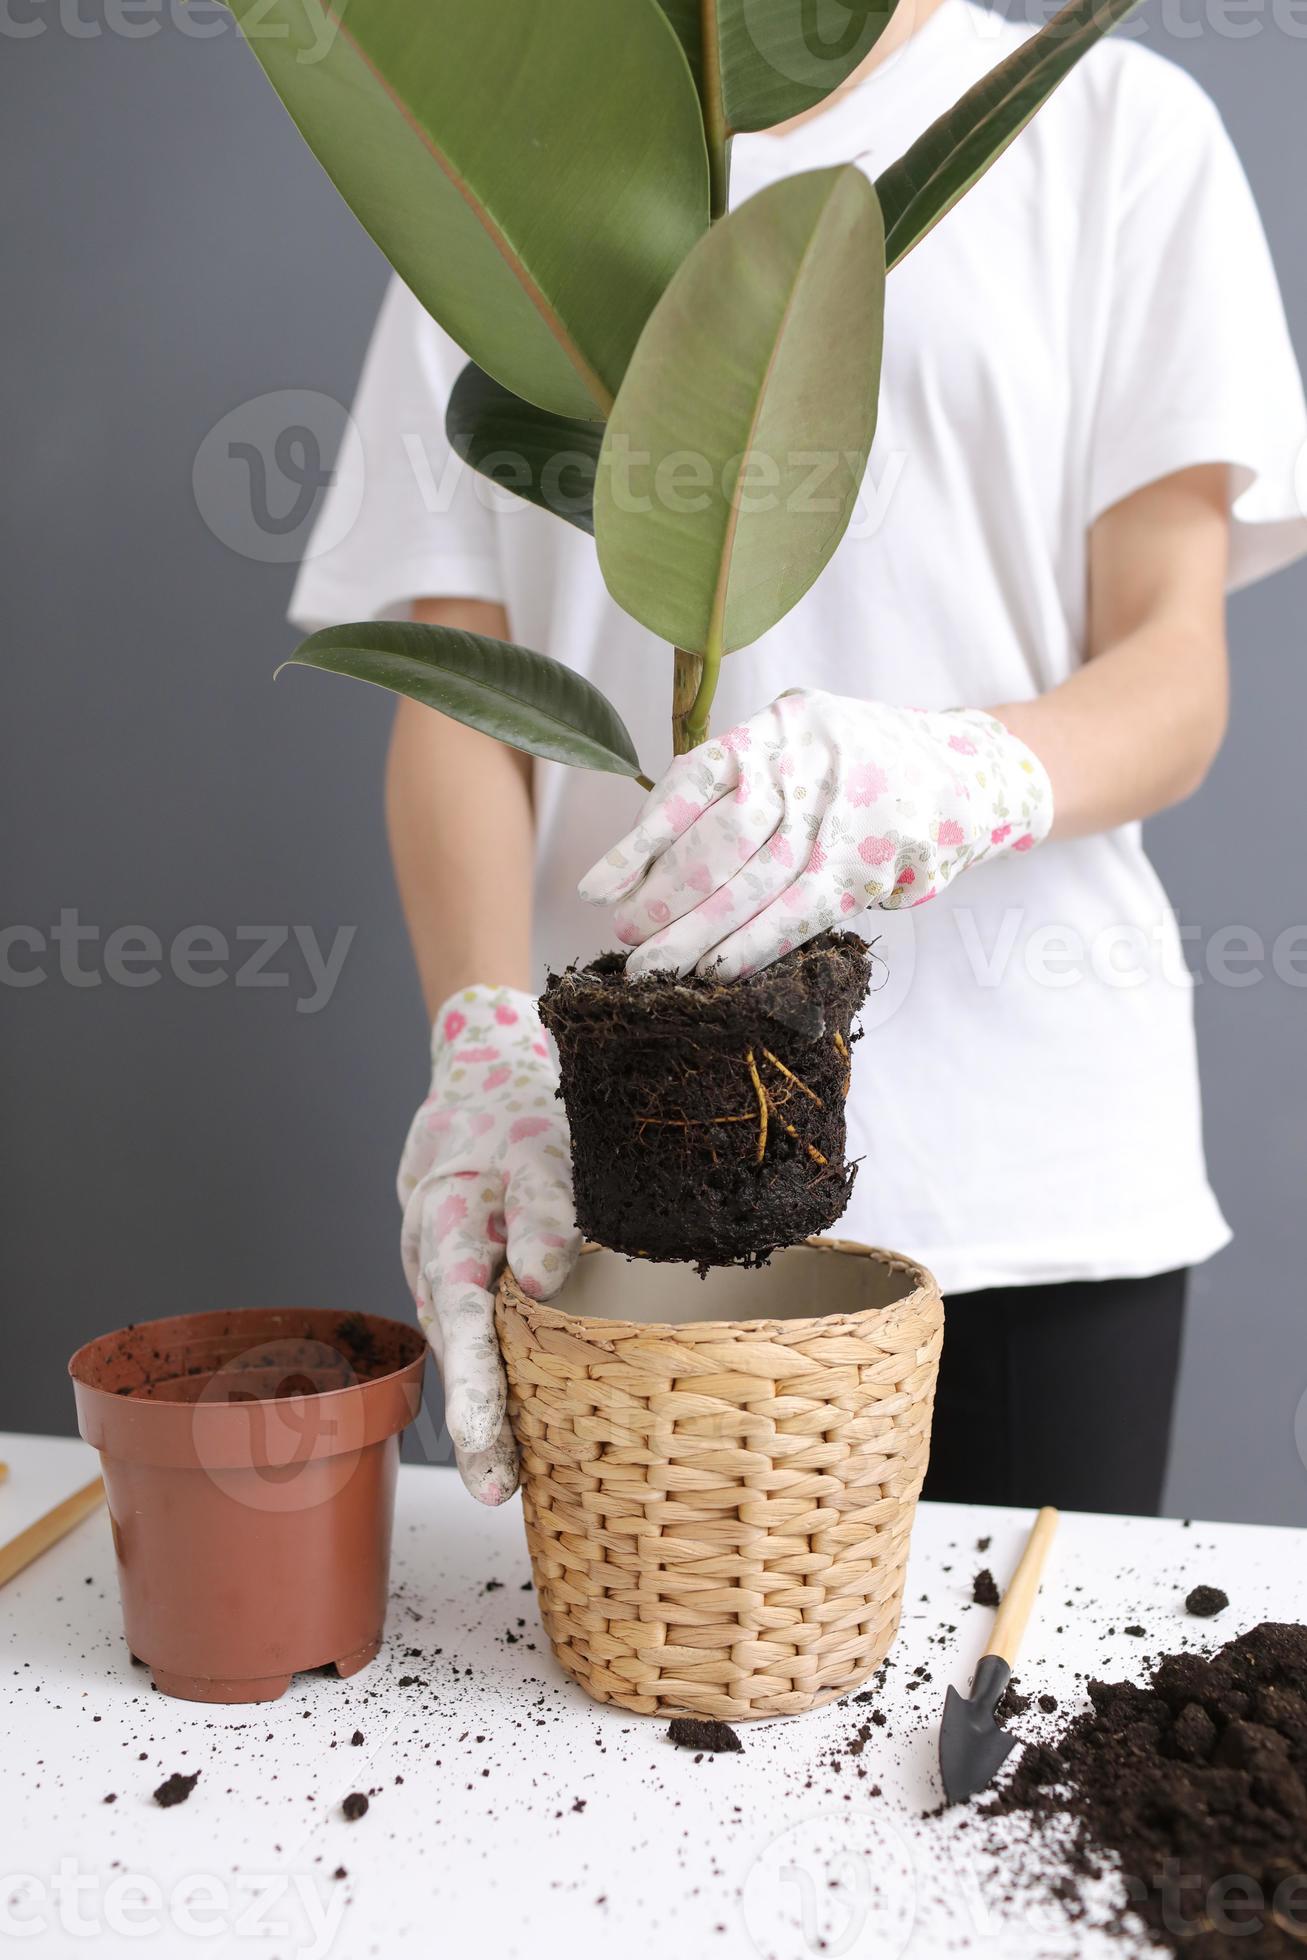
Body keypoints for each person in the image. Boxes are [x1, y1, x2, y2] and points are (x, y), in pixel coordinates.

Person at [290, 0, 1307, 1517]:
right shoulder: (490, 177)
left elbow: (1171, 678)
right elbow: (458, 691)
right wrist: (487, 1039)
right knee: (632, 1717)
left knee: (1022, 1723)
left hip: (1027, 1171)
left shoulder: (1105, 127)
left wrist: (951, 774)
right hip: (628, 1161)